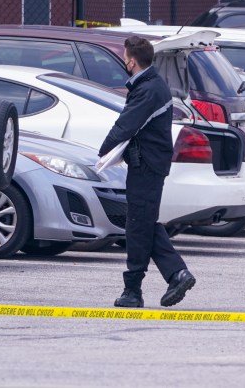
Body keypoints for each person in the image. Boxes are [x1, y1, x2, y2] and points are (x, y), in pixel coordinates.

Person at [99, 35, 196, 308]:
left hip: (147, 166)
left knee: (138, 225)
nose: (124, 62)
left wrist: (101, 153)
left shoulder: (149, 89)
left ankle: (136, 289)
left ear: (131, 61)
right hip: (148, 164)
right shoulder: (150, 85)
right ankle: (175, 274)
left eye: (124, 57)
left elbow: (125, 125)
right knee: (142, 222)